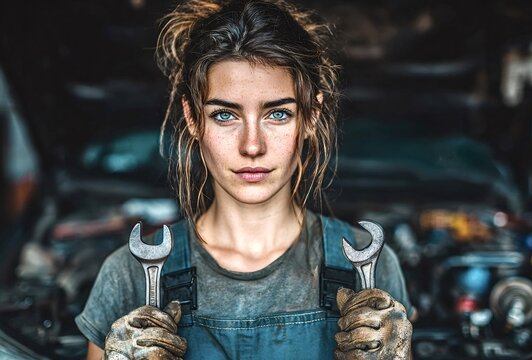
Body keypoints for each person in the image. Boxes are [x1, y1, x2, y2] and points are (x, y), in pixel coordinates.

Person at [75, 0, 415, 358]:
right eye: (224, 115)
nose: (252, 145)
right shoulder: (128, 275)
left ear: (311, 116)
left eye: (279, 114)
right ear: (191, 118)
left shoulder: (372, 267)